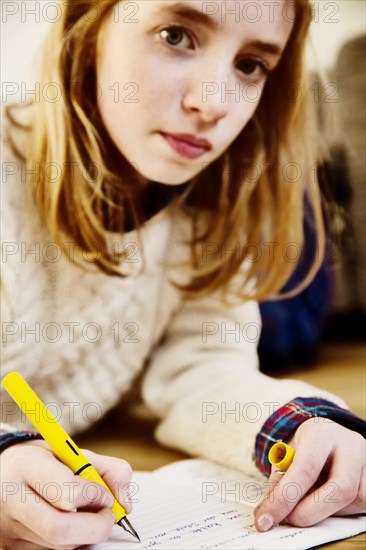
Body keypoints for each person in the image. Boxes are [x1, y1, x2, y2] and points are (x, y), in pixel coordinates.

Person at [1, 1, 365, 548]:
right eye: (176, 35)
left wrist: (295, 424)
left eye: (251, 66)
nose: (213, 104)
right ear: (85, 27)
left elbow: (203, 363)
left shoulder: (214, 201)